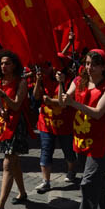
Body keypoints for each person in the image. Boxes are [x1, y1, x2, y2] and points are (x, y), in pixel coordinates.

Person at [61, 49, 105, 209]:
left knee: (87, 183)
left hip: (101, 141)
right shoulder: (78, 81)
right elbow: (65, 99)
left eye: (94, 64)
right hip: (81, 138)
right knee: (95, 180)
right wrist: (59, 96)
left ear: (104, 66)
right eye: (86, 63)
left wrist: (73, 103)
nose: (89, 67)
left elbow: (97, 113)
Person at [0, 50, 30, 209]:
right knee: (14, 162)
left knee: (7, 163)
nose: (4, 66)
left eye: (8, 63)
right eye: (2, 63)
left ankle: (1, 204)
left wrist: (3, 95)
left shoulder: (21, 82)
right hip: (2, 125)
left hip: (16, 127)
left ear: (15, 65)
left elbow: (17, 105)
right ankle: (23, 193)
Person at [33, 62, 78, 192]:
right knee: (46, 150)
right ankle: (45, 181)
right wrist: (37, 81)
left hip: (65, 124)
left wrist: (61, 84)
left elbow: (64, 102)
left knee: (68, 150)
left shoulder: (71, 82)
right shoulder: (44, 79)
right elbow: (36, 96)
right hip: (46, 123)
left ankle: (71, 170)